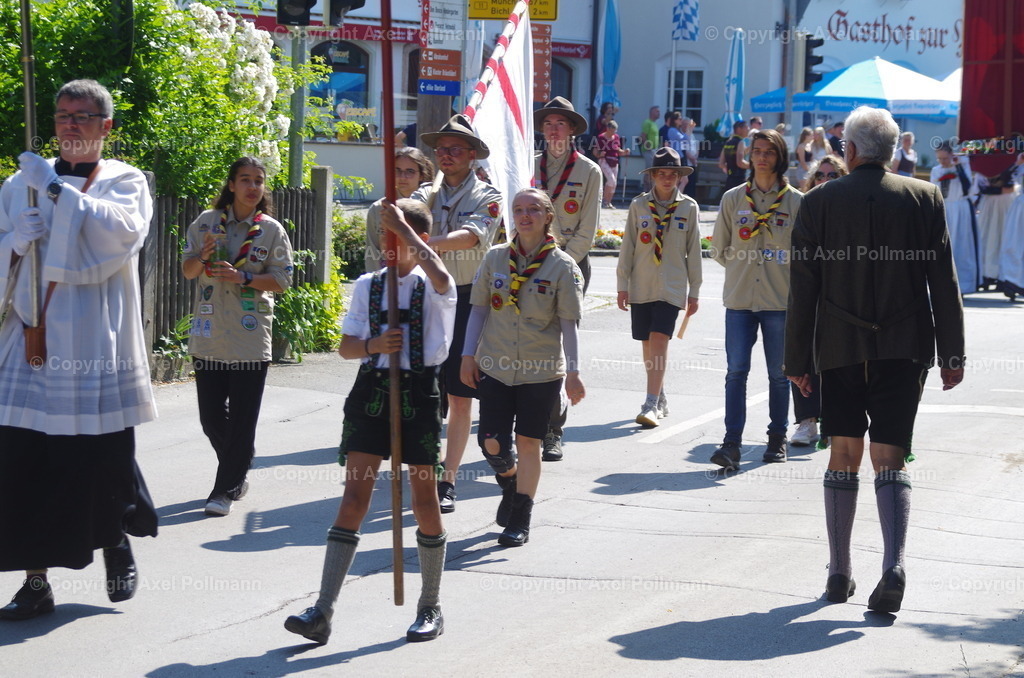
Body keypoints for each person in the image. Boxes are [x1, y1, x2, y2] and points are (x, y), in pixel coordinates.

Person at [786, 106, 965, 613]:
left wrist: (796, 359)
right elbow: (944, 285)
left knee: (843, 453)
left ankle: (839, 573)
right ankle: (894, 564)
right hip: (905, 347)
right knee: (891, 454)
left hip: (840, 347)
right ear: (890, 152)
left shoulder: (818, 202)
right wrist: (952, 353)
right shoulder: (925, 197)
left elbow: (804, 290)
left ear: (851, 150)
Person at [0, 79, 157, 619]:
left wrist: (56, 191)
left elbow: (117, 237)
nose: (70, 124)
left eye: (83, 116)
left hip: (93, 338)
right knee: (24, 461)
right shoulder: (17, 182)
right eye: (63, 114)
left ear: (105, 126)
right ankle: (35, 582)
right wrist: (14, 242)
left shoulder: (124, 180)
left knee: (98, 458)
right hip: (28, 339)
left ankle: (114, 539)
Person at [284, 199, 456, 644]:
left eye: (391, 235)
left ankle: (430, 605)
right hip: (372, 398)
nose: (384, 243)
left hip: (418, 396)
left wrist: (410, 232)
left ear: (411, 239)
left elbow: (438, 272)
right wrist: (375, 344)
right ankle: (322, 609)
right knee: (354, 496)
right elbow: (346, 347)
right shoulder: (368, 285)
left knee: (423, 501)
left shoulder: (435, 285)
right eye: (383, 234)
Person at [460, 188, 585, 547]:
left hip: (540, 371)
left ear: (548, 216)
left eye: (533, 209)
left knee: (528, 442)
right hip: (495, 365)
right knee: (492, 444)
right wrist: (468, 355)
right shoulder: (496, 258)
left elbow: (568, 324)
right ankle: (512, 484)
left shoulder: (562, 266)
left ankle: (521, 517)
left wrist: (573, 373)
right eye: (518, 209)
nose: (525, 215)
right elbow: (479, 310)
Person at [182, 157, 294, 516]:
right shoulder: (205, 223)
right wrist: (203, 255)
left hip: (250, 336)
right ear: (231, 185)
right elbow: (187, 271)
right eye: (245, 179)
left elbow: (282, 281)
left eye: (258, 181)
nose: (252, 187)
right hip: (210, 334)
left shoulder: (271, 230)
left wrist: (243, 277)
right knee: (211, 418)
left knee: (243, 418)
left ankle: (224, 489)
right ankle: (240, 459)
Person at [411, 114, 502, 513]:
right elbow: (397, 216)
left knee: (461, 392)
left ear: (472, 156)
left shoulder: (488, 195)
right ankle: (426, 466)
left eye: (455, 149)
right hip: (428, 296)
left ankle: (449, 480)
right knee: (425, 390)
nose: (446, 155)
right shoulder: (426, 193)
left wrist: (424, 241)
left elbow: (471, 237)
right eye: (441, 149)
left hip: (468, 299)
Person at [709, 129, 803, 471]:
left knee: (779, 375)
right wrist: (743, 266)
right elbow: (719, 249)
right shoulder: (733, 199)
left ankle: (776, 439)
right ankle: (731, 442)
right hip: (740, 300)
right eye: (757, 151)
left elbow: (805, 256)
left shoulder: (795, 202)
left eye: (769, 152)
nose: (762, 157)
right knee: (736, 372)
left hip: (779, 301)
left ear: (780, 158)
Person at [533, 97, 602, 462]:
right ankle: (528, 421)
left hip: (569, 266)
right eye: (548, 124)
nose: (553, 129)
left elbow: (586, 232)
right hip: (527, 266)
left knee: (557, 345)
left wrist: (557, 265)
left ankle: (552, 430)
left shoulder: (589, 172)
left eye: (561, 123)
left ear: (573, 130)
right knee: (528, 342)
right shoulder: (531, 168)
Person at [616, 148, 701, 427]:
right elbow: (628, 247)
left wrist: (694, 291)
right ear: (652, 175)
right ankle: (660, 393)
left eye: (672, 174)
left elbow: (695, 252)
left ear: (679, 177)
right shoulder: (639, 206)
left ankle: (649, 403)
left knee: (660, 338)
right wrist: (622, 284)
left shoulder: (688, 207)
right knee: (646, 344)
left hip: (672, 286)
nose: (667, 179)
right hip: (641, 284)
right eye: (661, 173)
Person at [789, 154, 848, 448]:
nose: (825, 181)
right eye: (820, 176)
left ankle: (833, 421)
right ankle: (806, 421)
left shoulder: (852, 210)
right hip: (808, 293)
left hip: (841, 296)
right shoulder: (803, 208)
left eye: (832, 176)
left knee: (836, 359)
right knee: (802, 353)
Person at [365, 147, 435, 271]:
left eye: (410, 171)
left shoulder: (433, 204)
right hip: (389, 278)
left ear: (422, 175)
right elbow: (372, 253)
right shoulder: (378, 208)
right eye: (397, 170)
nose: (403, 177)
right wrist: (376, 284)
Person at [931, 143, 981, 295]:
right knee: (945, 247)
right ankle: (944, 284)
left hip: (961, 208)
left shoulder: (962, 165)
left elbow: (967, 187)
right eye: (939, 158)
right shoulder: (936, 170)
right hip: (945, 208)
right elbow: (934, 190)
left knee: (962, 246)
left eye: (945, 158)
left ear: (952, 155)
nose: (943, 162)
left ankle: (965, 285)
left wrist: (958, 167)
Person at [976, 152, 1021, 288]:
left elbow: (1011, 186)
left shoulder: (1014, 161)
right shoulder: (984, 160)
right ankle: (986, 273)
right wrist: (997, 190)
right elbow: (982, 187)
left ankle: (1003, 275)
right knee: (987, 236)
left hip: (1006, 203)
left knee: (1003, 236)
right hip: (989, 203)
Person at [595, 119, 629, 208]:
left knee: (614, 183)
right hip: (604, 160)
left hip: (615, 161)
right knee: (611, 180)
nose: (613, 133)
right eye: (612, 131)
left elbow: (618, 150)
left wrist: (625, 152)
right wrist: (599, 154)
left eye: (614, 131)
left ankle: (608, 202)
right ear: (608, 129)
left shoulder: (616, 137)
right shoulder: (601, 138)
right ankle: (604, 201)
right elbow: (595, 151)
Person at [718, 120, 750, 194]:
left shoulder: (728, 143)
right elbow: (740, 163)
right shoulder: (741, 142)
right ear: (739, 129)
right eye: (746, 127)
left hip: (730, 179)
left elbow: (721, 164)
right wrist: (754, 165)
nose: (748, 129)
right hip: (739, 180)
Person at [641, 106, 661, 192]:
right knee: (649, 169)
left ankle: (650, 189)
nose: (659, 113)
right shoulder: (647, 122)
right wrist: (647, 146)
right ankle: (646, 189)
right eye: (657, 111)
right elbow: (643, 136)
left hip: (654, 150)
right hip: (649, 150)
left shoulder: (655, 124)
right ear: (652, 112)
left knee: (653, 170)